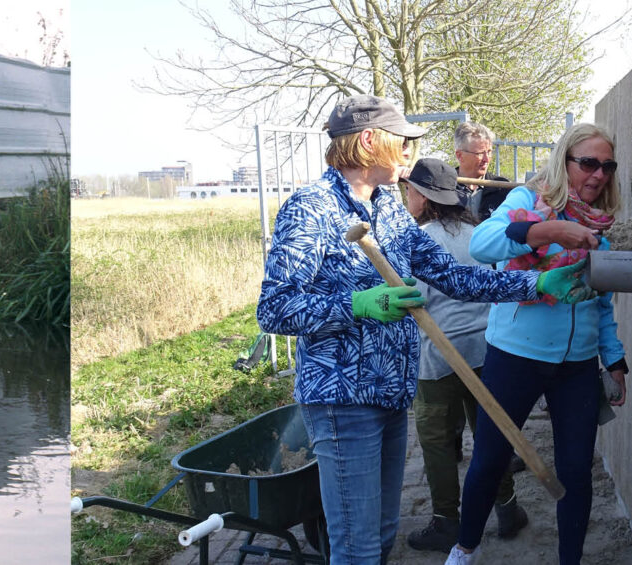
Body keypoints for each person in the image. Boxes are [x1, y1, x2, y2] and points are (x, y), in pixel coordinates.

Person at [256, 94, 597, 564]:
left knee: (379, 536)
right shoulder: (310, 209)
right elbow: (274, 308)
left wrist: (536, 283)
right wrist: (358, 304)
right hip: (342, 399)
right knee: (355, 547)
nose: (410, 154)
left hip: (392, 395)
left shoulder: (389, 210)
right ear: (370, 140)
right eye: (404, 142)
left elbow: (456, 277)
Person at [449, 123, 627, 565]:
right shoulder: (528, 200)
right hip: (515, 355)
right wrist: (547, 231)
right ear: (564, 162)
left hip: (578, 365)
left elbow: (601, 300)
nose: (598, 174)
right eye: (588, 163)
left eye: (607, 166)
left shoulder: (601, 227)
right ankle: (463, 550)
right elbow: (483, 244)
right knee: (490, 460)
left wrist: (615, 358)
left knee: (575, 473)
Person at [396, 158, 529, 552]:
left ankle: (446, 521)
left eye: (409, 191)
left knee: (436, 441)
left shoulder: (419, 239)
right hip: (487, 350)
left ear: (421, 196)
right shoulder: (480, 234)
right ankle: (507, 508)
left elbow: (414, 300)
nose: (406, 198)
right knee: (489, 434)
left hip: (439, 357)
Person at [452, 122, 511, 221]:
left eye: (489, 152)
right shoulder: (444, 188)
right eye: (480, 153)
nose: (486, 159)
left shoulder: (502, 189)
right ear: (460, 155)